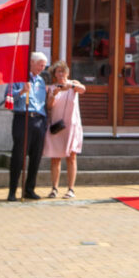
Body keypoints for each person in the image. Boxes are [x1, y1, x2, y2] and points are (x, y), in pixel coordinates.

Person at [6, 52, 49, 201]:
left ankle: (29, 189)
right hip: (23, 118)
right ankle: (12, 191)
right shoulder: (18, 78)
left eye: (44, 65)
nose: (42, 68)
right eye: (40, 64)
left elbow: (42, 103)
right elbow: (8, 98)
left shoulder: (41, 81)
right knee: (18, 156)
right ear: (31, 62)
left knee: (36, 157)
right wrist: (22, 91)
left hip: (39, 120)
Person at [44, 61, 85, 200]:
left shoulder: (73, 84)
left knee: (71, 157)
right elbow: (49, 106)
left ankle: (71, 189)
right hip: (57, 126)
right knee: (55, 158)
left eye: (63, 71)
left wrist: (71, 85)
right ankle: (54, 188)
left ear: (67, 73)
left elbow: (83, 89)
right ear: (54, 74)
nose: (61, 74)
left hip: (71, 125)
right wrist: (53, 95)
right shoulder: (51, 87)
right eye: (58, 71)